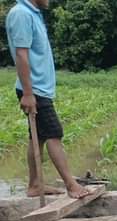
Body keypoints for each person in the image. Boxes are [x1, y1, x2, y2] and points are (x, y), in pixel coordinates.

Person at [6, 0, 89, 199]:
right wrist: (28, 93)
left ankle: (35, 184)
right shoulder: (21, 14)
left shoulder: (33, 13)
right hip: (33, 89)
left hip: (38, 88)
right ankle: (71, 184)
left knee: (39, 136)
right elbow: (21, 54)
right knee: (54, 133)